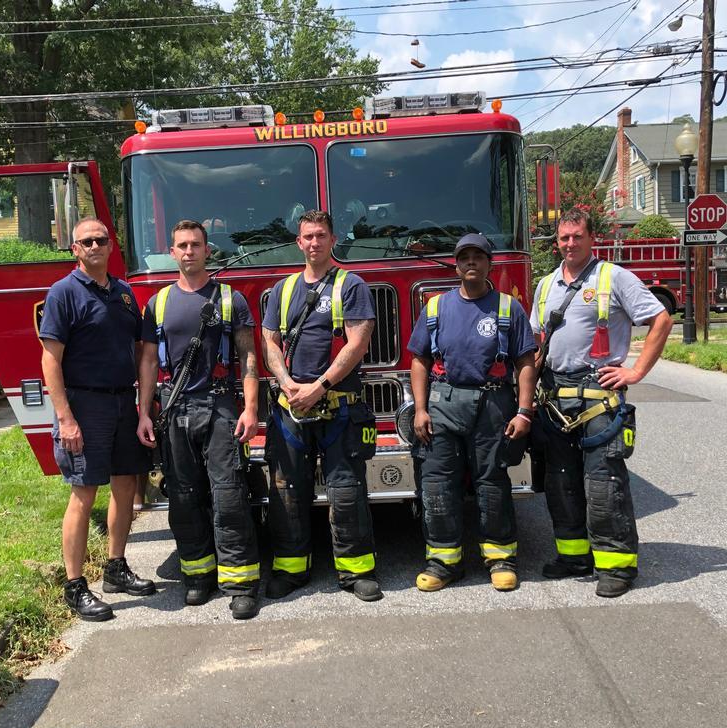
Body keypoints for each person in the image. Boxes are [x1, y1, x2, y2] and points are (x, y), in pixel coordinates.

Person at [530, 208, 673, 598]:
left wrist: (635, 372)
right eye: (564, 238)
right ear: (556, 242)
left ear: (592, 238)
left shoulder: (614, 277)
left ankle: (616, 566)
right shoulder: (545, 286)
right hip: (555, 399)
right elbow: (536, 343)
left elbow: (661, 319)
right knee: (560, 482)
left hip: (599, 396)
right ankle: (574, 557)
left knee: (603, 484)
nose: (570, 244)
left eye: (577, 236)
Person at [136, 220, 262, 621]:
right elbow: (150, 362)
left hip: (221, 406)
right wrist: (144, 412)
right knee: (184, 497)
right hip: (174, 410)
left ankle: (241, 585)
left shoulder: (230, 299)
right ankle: (197, 576)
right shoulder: (157, 304)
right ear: (172, 253)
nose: (188, 251)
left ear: (208, 250)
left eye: (195, 245)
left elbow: (249, 357)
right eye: (181, 246)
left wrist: (251, 408)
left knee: (228, 496)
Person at [39, 217, 156, 622]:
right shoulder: (63, 294)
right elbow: (49, 360)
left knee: (125, 487)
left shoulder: (124, 293)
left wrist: (142, 409)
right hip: (85, 406)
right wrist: (65, 418)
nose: (93, 246)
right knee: (84, 493)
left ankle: (115, 568)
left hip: (124, 403)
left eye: (100, 240)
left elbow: (142, 352)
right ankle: (75, 587)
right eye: (85, 241)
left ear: (111, 246)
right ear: (74, 249)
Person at [260, 210, 380, 602]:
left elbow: (357, 343)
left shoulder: (351, 285)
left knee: (346, 492)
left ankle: (356, 571)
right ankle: (291, 569)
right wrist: (287, 383)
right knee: (287, 491)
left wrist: (319, 385)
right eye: (308, 236)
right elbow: (270, 340)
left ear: (333, 240)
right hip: (290, 409)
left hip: (339, 407)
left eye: (321, 236)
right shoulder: (283, 290)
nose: (314, 243)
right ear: (299, 242)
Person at [407, 234, 537, 592]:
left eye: (478, 257)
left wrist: (524, 411)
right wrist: (419, 409)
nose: (471, 263)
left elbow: (526, 361)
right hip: (442, 403)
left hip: (493, 405)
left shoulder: (509, 308)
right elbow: (419, 360)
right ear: (456, 264)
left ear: (489, 264)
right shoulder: (435, 308)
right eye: (464, 257)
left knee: (492, 483)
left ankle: (500, 559)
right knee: (437, 485)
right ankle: (443, 562)